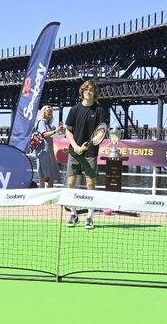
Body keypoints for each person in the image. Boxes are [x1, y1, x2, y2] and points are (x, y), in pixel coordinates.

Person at [63, 80, 110, 228]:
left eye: (91, 90)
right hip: (74, 152)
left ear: (94, 93)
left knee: (91, 183)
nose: (88, 92)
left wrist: (87, 145)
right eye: (86, 89)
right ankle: (73, 214)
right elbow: (68, 130)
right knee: (70, 183)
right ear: (82, 92)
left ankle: (90, 217)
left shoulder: (100, 110)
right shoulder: (74, 109)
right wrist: (76, 146)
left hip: (90, 153)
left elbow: (101, 132)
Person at [33, 104, 62, 187]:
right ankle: (46, 191)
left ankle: (44, 191)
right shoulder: (42, 122)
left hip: (47, 152)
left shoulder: (48, 124)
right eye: (48, 113)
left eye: (51, 114)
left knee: (46, 174)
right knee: (46, 175)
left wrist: (61, 132)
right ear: (43, 113)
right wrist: (55, 131)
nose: (50, 115)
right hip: (44, 152)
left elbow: (55, 136)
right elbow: (44, 134)